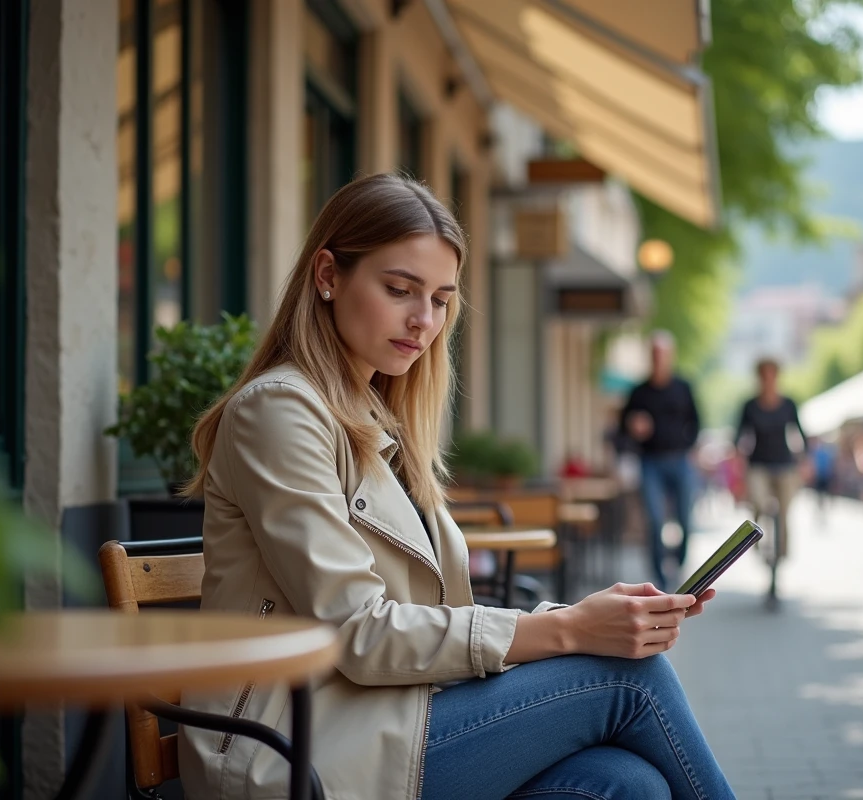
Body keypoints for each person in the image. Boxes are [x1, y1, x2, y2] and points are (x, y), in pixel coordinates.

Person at [177, 175, 735, 800]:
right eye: (399, 290)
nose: (424, 322)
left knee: (628, 783)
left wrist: (576, 618)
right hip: (290, 749)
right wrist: (573, 631)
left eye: (442, 300)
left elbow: (436, 619)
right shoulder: (279, 412)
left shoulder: (377, 421)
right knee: (633, 682)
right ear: (328, 275)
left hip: (386, 716)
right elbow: (358, 631)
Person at [618, 332, 702, 591]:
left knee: (685, 519)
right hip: (650, 462)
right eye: (654, 353)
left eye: (662, 353)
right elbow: (622, 426)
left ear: (670, 356)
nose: (658, 359)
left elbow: (697, 422)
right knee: (654, 520)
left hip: (679, 460)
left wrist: (689, 448)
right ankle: (659, 575)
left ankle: (677, 563)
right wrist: (633, 427)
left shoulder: (683, 387)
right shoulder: (639, 392)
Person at [734, 359, 807, 563]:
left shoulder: (788, 404)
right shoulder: (749, 406)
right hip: (758, 464)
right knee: (758, 501)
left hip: (785, 464)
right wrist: (738, 464)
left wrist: (805, 461)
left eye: (771, 375)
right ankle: (756, 537)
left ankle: (781, 552)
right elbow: (739, 436)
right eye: (763, 376)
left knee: (784, 510)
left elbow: (800, 433)